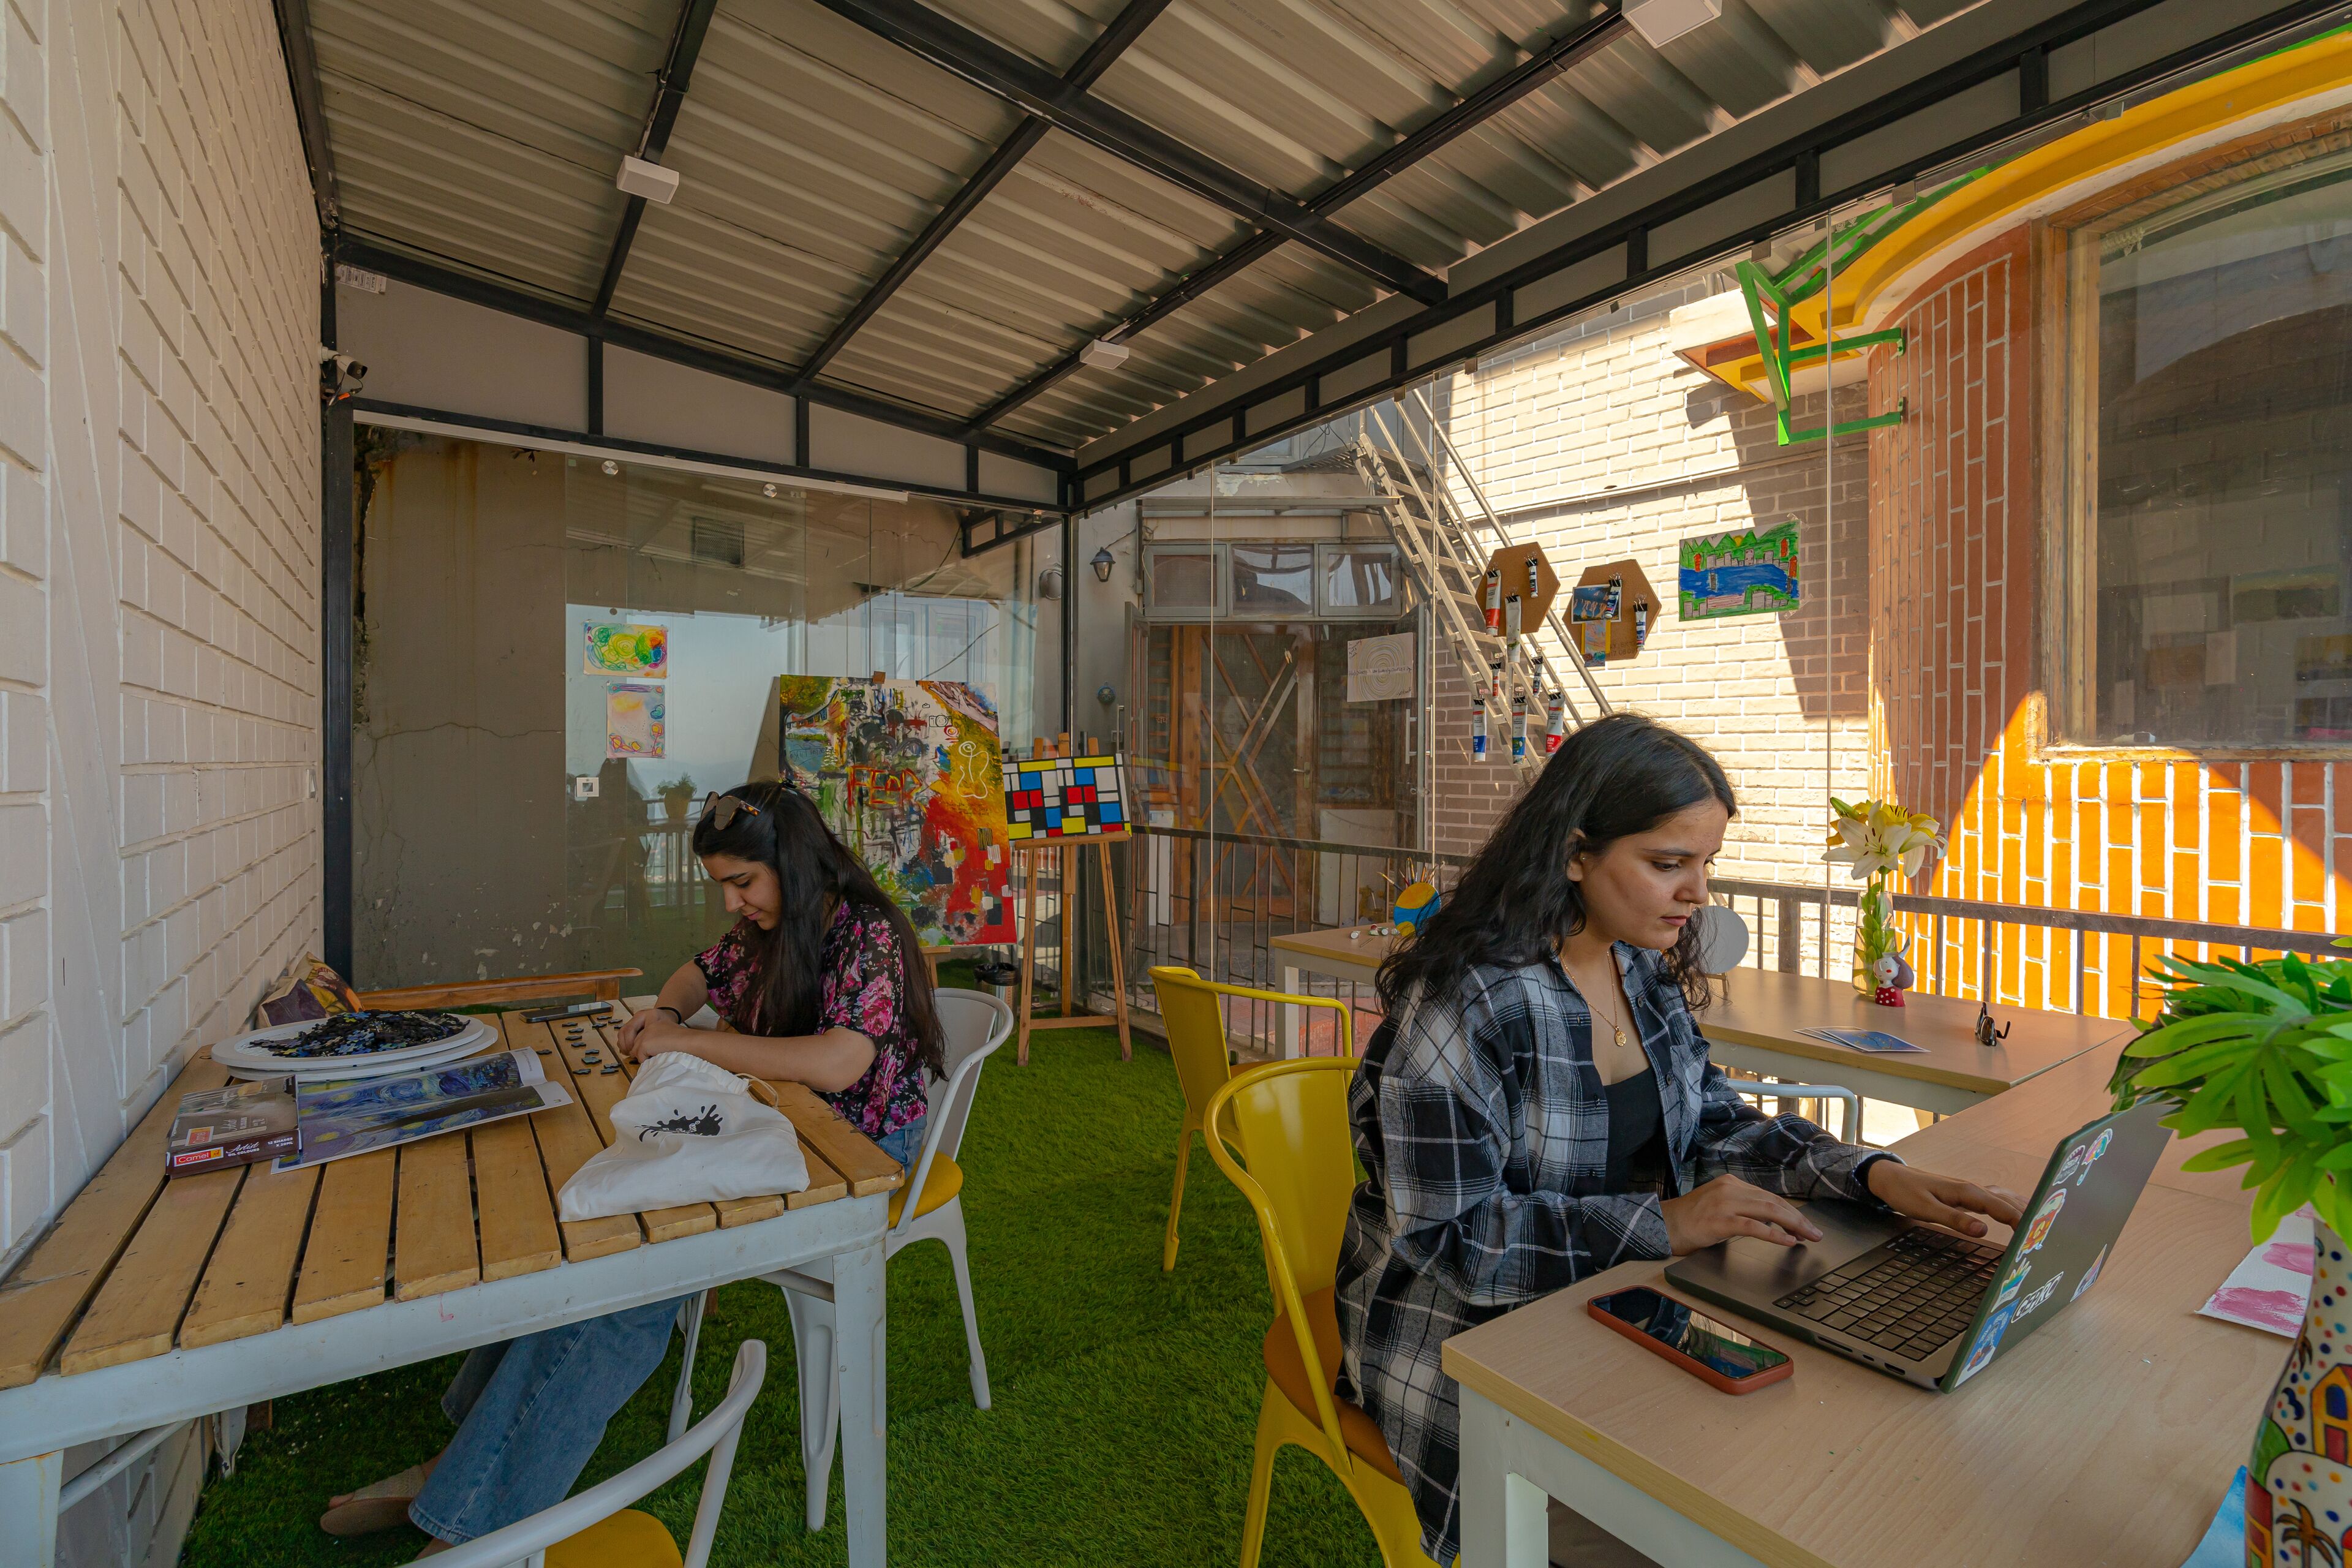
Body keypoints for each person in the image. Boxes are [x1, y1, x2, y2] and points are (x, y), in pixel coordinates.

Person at [1333, 714, 2024, 1564]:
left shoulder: (1637, 966)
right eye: (1668, 865)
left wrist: (1873, 1177)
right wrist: (1666, 1225)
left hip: (1609, 1301)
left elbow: (1713, 1126)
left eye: (1705, 865)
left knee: (1794, 1478)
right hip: (1461, 1346)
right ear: (1576, 852)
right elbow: (1452, 1245)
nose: (1698, 893)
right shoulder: (1466, 1004)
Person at [320, 778, 944, 1555]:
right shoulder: (768, 923)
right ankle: (466, 1472)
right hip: (769, 1130)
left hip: (853, 1158)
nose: (731, 904)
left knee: (634, 1278)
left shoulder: (867, 932)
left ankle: (468, 1522)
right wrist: (673, 1013)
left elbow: (841, 1061)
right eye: (724, 885)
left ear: (796, 863)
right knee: (598, 1223)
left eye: (742, 883)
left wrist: (690, 1043)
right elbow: (694, 974)